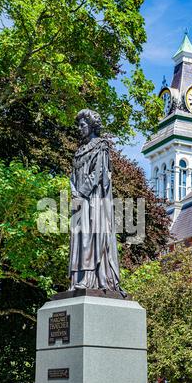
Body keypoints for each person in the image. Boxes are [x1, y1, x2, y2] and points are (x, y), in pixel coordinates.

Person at [69, 108, 124, 295]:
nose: (79, 128)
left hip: (93, 200)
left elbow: (99, 173)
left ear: (91, 126)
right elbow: (72, 176)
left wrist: (82, 192)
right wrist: (74, 192)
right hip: (79, 200)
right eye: (79, 125)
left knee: (89, 238)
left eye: (82, 125)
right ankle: (76, 280)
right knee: (78, 239)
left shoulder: (101, 146)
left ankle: (89, 279)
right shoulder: (79, 152)